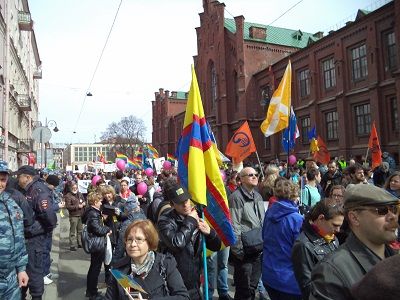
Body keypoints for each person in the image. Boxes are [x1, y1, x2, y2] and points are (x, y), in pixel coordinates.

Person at [310, 184, 399, 300]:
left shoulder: (394, 257)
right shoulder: (331, 272)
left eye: (394, 209)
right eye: (382, 210)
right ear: (354, 218)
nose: (393, 217)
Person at [158, 183, 221, 300]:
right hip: (175, 283)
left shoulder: (198, 215)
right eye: (180, 202)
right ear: (172, 204)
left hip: (195, 282)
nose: (185, 204)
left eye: (186, 200)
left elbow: (216, 246)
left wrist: (210, 233)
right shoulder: (165, 221)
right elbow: (177, 243)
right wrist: (191, 220)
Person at [105, 220, 189, 299]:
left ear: (150, 242)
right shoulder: (119, 270)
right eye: (129, 239)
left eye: (139, 239)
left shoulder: (165, 264)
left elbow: (183, 297)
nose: (133, 244)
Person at [17, 165, 58, 300]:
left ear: (28, 177)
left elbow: (49, 216)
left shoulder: (37, 190)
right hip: (27, 238)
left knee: (34, 274)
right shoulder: (28, 189)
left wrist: (38, 229)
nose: (18, 180)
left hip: (34, 240)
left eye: (20, 177)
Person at [291, 199, 344, 299]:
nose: (338, 230)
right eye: (335, 225)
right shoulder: (303, 245)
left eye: (340, 226)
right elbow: (307, 286)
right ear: (321, 218)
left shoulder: (333, 238)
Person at [262, 178, 303, 300]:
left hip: (269, 275)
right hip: (289, 281)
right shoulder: (297, 219)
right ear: (295, 196)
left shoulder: (269, 212)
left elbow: (264, 236)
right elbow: (301, 252)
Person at [229, 167, 265, 300]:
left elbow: (262, 222)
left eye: (256, 174)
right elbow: (234, 225)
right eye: (250, 175)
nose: (255, 176)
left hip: (258, 249)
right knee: (243, 291)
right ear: (242, 179)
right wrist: (239, 251)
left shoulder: (258, 195)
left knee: (252, 288)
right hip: (244, 252)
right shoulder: (236, 198)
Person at [0, 161, 29, 299]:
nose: (0, 184)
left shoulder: (11, 203)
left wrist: (21, 269)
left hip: (10, 278)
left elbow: (19, 237)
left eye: (3, 180)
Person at [82, 192, 112, 300]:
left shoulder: (93, 212)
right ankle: (92, 293)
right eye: (99, 201)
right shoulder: (93, 213)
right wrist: (107, 229)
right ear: (95, 202)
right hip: (97, 244)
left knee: (94, 268)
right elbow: (98, 229)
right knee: (95, 269)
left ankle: (91, 291)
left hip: (96, 242)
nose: (101, 203)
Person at [43, 174, 64, 285]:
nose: (55, 188)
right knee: (45, 251)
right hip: (45, 227)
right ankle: (44, 274)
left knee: (47, 251)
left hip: (49, 226)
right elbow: (47, 209)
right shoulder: (44, 193)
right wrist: (58, 206)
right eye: (54, 185)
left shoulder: (48, 191)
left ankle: (47, 272)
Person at [64, 181, 86, 251]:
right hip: (73, 215)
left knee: (80, 231)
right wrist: (78, 206)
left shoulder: (80, 194)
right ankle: (72, 245)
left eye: (76, 187)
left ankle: (80, 243)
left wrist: (84, 203)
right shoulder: (68, 196)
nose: (75, 189)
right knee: (73, 231)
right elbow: (68, 206)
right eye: (73, 188)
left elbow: (84, 200)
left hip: (81, 214)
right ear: (70, 188)